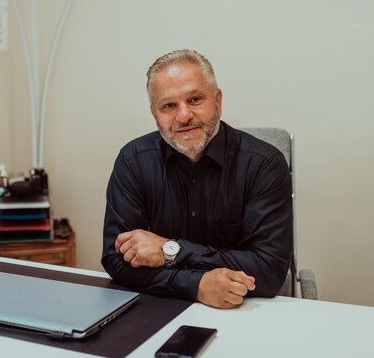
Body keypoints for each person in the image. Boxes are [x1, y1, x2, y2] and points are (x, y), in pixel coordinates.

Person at [101, 49, 292, 309]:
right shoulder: (133, 161)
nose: (183, 116)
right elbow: (116, 259)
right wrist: (197, 286)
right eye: (168, 105)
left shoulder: (264, 164)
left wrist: (171, 251)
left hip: (244, 311)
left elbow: (269, 271)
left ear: (218, 100)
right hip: (158, 310)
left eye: (194, 99)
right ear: (154, 112)